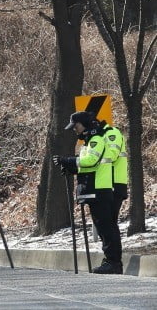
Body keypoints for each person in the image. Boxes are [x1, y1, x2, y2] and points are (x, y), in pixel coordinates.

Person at [53, 111, 123, 274]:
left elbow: (92, 160)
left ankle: (113, 263)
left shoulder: (96, 140)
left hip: (99, 189)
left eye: (75, 126)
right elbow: (88, 165)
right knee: (104, 227)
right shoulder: (90, 141)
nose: (74, 130)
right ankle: (111, 261)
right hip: (94, 188)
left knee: (106, 227)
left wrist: (68, 160)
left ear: (84, 124)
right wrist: (72, 168)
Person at [100, 121, 128, 224]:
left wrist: (94, 157)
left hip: (115, 182)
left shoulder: (111, 133)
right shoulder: (100, 135)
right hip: (107, 182)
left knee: (110, 222)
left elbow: (112, 155)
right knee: (107, 222)